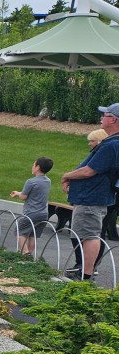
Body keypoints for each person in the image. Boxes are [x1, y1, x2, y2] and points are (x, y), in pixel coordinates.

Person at [62, 109, 119, 282]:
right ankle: (84, 271)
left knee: (90, 235)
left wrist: (67, 175)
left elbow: (89, 171)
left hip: (92, 198)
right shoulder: (110, 142)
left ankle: (85, 275)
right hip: (90, 197)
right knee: (86, 234)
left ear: (114, 119)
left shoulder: (111, 145)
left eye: (105, 115)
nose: (102, 118)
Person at [10, 157, 54, 256]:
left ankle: (25, 253)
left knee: (19, 231)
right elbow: (34, 193)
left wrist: (18, 194)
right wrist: (18, 193)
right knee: (33, 234)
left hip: (31, 212)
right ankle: (29, 254)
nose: (32, 166)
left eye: (33, 165)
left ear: (37, 167)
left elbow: (23, 196)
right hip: (43, 213)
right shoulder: (48, 181)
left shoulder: (30, 182)